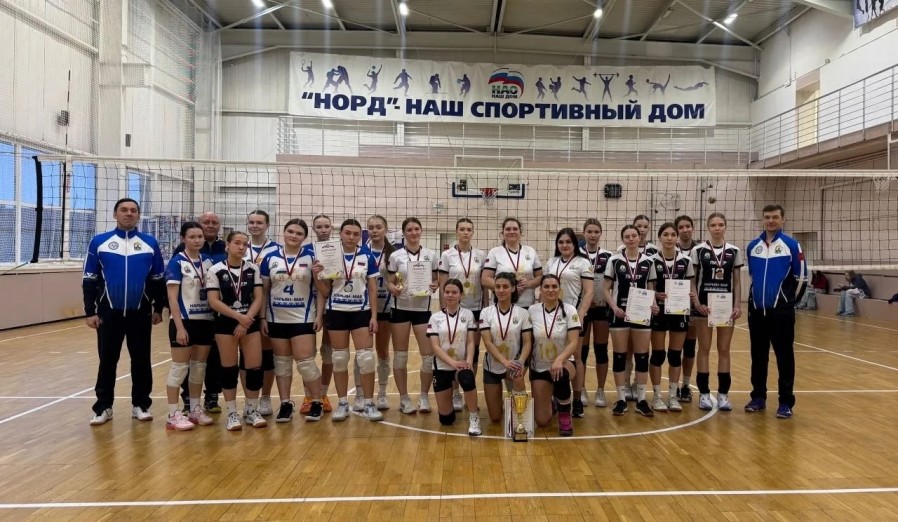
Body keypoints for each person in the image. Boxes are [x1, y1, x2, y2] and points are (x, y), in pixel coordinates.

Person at [85, 198, 166, 426]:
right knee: (107, 360)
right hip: (108, 313)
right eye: (124, 210)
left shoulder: (150, 243)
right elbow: (89, 278)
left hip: (140, 313)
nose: (129, 213)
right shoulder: (99, 242)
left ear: (138, 215)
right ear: (115, 214)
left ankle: (141, 405)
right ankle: (103, 407)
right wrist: (90, 311)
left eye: (133, 210)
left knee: (141, 360)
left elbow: (158, 279)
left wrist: (158, 308)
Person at [260, 219, 327, 423]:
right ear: (284, 232)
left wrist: (319, 316)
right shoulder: (270, 258)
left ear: (304, 237)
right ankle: (285, 404)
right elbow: (264, 291)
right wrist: (262, 317)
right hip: (276, 318)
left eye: (299, 233)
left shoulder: (312, 257)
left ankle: (317, 402)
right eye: (290, 231)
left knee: (306, 363)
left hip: (303, 318)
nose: (294, 236)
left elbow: (321, 291)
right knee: (282, 364)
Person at [746, 204, 806, 419]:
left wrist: (787, 303)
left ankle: (785, 402)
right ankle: (758, 397)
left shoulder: (792, 245)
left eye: (775, 217)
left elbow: (802, 278)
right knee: (758, 357)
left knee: (784, 357)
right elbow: (753, 276)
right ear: (763, 219)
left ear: (783, 219)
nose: (770, 221)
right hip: (757, 311)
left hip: (782, 312)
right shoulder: (753, 246)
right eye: (767, 217)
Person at [320, 219, 382, 422]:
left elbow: (372, 289)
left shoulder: (367, 256)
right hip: (336, 311)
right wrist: (317, 275)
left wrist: (374, 316)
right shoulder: (330, 256)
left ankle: (369, 403)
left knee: (366, 359)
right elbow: (325, 291)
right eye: (348, 233)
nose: (351, 237)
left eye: (356, 234)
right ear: (340, 233)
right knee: (339, 359)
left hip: (361, 312)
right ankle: (342, 403)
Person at [206, 231, 266, 431]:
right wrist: (239, 318)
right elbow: (213, 301)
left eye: (245, 244)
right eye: (237, 243)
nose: (241, 247)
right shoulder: (215, 270)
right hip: (226, 323)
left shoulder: (253, 269)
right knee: (229, 369)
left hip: (249, 322)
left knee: (254, 368)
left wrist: (246, 320)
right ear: (227, 245)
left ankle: (251, 410)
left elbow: (258, 297)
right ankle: (232, 412)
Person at [163, 221, 215, 431]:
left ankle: (195, 409)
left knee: (199, 368)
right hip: (184, 322)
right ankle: (173, 414)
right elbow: (172, 299)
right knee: (179, 369)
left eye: (200, 236)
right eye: (192, 237)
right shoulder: (177, 262)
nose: (197, 240)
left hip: (205, 321)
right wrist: (180, 327)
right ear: (183, 238)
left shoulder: (208, 262)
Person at [173, 211, 226, 413]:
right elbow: (173, 286)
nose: (210, 225)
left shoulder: (225, 247)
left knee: (214, 357)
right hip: (189, 314)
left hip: (216, 314)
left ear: (219, 226)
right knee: (188, 360)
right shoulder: (182, 251)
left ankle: (212, 396)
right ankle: (187, 398)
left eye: (214, 222)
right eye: (206, 222)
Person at [690, 213, 743, 412]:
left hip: (725, 308)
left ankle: (723, 394)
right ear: (708, 227)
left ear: (725, 227)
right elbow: (692, 280)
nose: (717, 228)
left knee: (724, 350)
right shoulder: (698, 250)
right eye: (713, 225)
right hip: (704, 307)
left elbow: (737, 282)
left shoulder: (734, 251)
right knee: (704, 349)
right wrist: (696, 303)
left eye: (720, 224)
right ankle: (704, 394)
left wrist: (737, 305)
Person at [604, 225, 658, 417]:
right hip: (620, 314)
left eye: (634, 235)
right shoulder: (614, 260)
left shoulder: (649, 261)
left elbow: (650, 287)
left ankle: (642, 400)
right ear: (623, 239)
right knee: (619, 356)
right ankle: (621, 399)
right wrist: (614, 307)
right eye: (627, 236)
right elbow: (606, 288)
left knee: (642, 357)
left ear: (639, 237)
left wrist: (654, 305)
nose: (631, 239)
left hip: (641, 314)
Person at [387, 217, 440, 414]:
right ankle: (404, 398)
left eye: (416, 229)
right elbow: (390, 281)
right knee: (400, 357)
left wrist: (435, 285)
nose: (413, 232)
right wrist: (393, 288)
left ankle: (424, 396)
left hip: (422, 310)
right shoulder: (396, 256)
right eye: (409, 229)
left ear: (421, 231)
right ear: (404, 233)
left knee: (428, 357)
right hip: (400, 308)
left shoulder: (430, 255)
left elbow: (436, 280)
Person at [438, 218, 487, 412]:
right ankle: (455, 393)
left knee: (472, 351)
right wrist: (443, 310)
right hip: (454, 309)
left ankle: (469, 390)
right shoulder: (447, 255)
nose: (466, 232)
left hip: (475, 309)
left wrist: (486, 307)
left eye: (469, 229)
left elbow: (484, 284)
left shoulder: (481, 255)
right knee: (455, 348)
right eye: (462, 229)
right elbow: (443, 284)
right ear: (456, 232)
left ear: (472, 232)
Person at [545, 228, 593, 418]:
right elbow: (544, 288)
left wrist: (580, 314)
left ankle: (577, 399)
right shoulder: (552, 262)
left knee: (576, 357)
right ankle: (556, 397)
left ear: (574, 244)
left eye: (568, 242)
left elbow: (589, 292)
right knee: (553, 356)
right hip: (552, 317)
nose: (564, 245)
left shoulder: (583, 262)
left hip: (573, 316)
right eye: (561, 242)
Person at [649, 223, 694, 413]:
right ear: (659, 237)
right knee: (658, 354)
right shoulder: (651, 260)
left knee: (675, 355)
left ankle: (673, 396)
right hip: (658, 311)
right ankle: (657, 396)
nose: (669, 238)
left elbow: (691, 286)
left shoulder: (686, 260)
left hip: (679, 311)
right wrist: (655, 295)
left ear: (677, 237)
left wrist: (692, 297)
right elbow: (648, 287)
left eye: (672, 234)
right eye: (665, 234)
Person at [427, 279, 481, 436]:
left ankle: (474, 417)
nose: (450, 295)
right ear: (443, 294)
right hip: (442, 367)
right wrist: (453, 363)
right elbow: (435, 347)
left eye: (454, 292)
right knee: (446, 420)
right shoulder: (435, 318)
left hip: (461, 365)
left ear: (461, 295)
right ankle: (450, 401)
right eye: (447, 292)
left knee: (468, 379)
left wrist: (469, 362)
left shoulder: (468, 315)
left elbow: (471, 342)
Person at [529, 275, 581, 435]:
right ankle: (553, 400)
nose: (550, 290)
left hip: (564, 363)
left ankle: (565, 414)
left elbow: (573, 342)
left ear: (559, 289)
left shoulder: (570, 310)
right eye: (546, 286)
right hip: (540, 367)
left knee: (560, 374)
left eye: (554, 286)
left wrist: (559, 359)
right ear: (540, 290)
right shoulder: (532, 310)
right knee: (542, 421)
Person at [480, 273, 533, 425]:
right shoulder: (486, 312)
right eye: (498, 287)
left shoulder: (523, 313)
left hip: (514, 365)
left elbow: (527, 342)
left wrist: (520, 362)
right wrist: (505, 362)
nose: (501, 290)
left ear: (513, 288)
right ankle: (505, 403)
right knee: (495, 417)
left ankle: (519, 416)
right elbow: (487, 342)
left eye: (505, 286)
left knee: (519, 415)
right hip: (493, 366)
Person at [617, 214, 659, 400]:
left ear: (648, 228)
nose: (641, 230)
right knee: (627, 349)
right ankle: (625, 383)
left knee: (642, 349)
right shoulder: (621, 251)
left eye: (645, 226)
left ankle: (636, 383)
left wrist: (654, 301)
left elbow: (652, 282)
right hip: (625, 306)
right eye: (638, 226)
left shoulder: (653, 251)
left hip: (643, 308)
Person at [354, 215, 394, 411]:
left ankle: (382, 393)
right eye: (371, 227)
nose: (375, 230)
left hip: (386, 307)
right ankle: (360, 394)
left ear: (385, 229)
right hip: (364, 308)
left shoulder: (394, 253)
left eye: (378, 227)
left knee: (383, 351)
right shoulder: (360, 252)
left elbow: (399, 279)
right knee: (363, 353)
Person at [245, 210, 280, 417]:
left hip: (267, 308)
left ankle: (265, 397)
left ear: (267, 225)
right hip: (242, 308)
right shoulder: (241, 246)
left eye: (259, 222)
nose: (255, 226)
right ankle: (249, 400)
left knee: (268, 355)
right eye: (251, 222)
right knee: (247, 357)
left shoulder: (277, 250)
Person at [300, 214, 335, 415]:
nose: (323, 230)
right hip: (306, 306)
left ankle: (323, 394)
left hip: (333, 305)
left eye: (326, 226)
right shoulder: (304, 251)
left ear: (331, 228)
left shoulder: (337, 250)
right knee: (307, 354)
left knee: (329, 352)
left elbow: (329, 286)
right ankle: (308, 396)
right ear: (313, 229)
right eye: (319, 226)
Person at [579, 219, 613, 408]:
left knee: (601, 349)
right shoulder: (577, 255)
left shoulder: (609, 256)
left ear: (601, 233)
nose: (593, 235)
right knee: (582, 352)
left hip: (601, 308)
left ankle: (600, 390)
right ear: (584, 233)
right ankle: (582, 388)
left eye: (596, 232)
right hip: (583, 308)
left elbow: (612, 283)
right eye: (589, 231)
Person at [482, 218, 543, 307]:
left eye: (515, 229)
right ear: (502, 233)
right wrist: (508, 288)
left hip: (527, 304)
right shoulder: (495, 252)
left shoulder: (530, 251)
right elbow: (485, 279)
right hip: (502, 305)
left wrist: (528, 284)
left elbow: (540, 277)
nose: (511, 231)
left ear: (520, 232)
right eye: (508, 229)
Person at [674, 215, 699, 403]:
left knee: (689, 347)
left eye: (687, 226)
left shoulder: (700, 250)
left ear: (692, 228)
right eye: (681, 227)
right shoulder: (668, 249)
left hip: (692, 307)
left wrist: (696, 302)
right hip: (672, 305)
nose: (685, 230)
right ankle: (673, 386)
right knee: (673, 349)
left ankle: (685, 385)